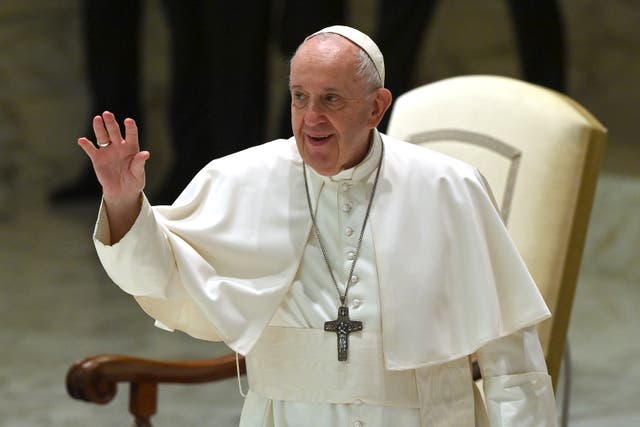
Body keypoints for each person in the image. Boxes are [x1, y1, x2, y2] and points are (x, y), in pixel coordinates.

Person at [78, 25, 557, 426]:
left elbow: (512, 360)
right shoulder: (240, 178)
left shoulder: (448, 186)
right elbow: (157, 273)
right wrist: (123, 201)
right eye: (300, 97)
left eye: (331, 99)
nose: (311, 119)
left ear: (376, 107)